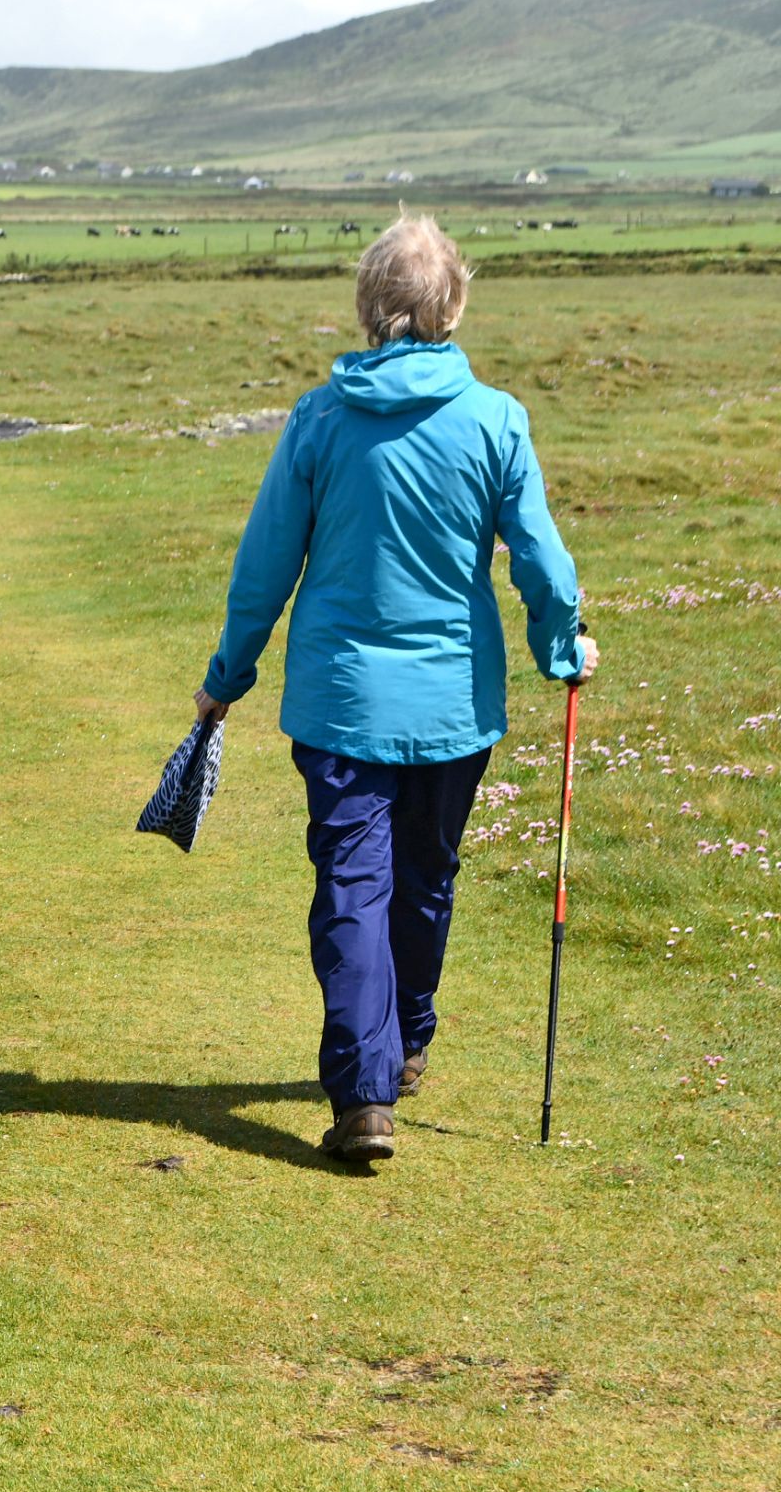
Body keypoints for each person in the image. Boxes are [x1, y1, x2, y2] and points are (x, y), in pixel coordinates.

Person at [193, 214, 597, 1165]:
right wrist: (562, 640)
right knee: (425, 877)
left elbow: (264, 569)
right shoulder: (497, 419)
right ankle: (401, 1044)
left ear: (371, 305)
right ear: (453, 302)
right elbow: (538, 558)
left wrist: (227, 678)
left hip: (339, 704)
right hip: (455, 707)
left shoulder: (319, 420)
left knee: (351, 886)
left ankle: (369, 1081)